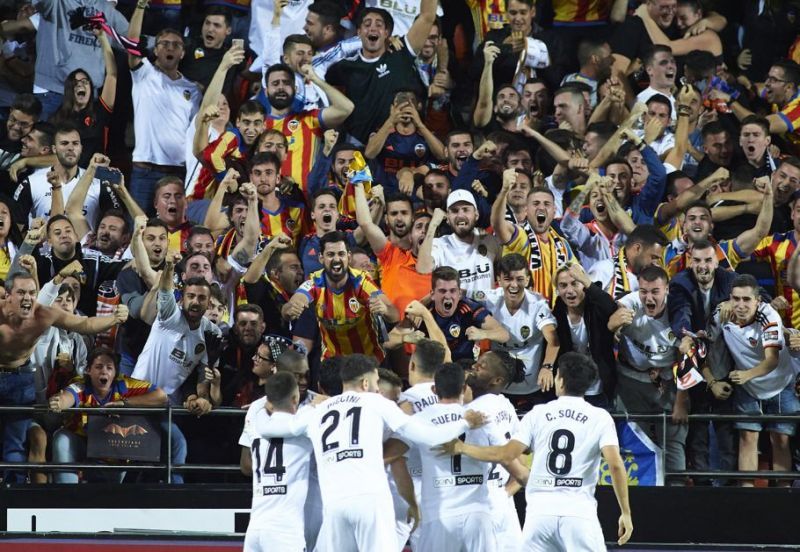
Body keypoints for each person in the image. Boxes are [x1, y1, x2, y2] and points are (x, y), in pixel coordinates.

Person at [253, 354, 487, 552]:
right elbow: (427, 436)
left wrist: (261, 409)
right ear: (366, 384)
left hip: (334, 505)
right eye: (376, 382)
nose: (377, 388)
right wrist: (464, 424)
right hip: (370, 500)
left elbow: (269, 428)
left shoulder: (317, 411)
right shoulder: (376, 402)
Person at [436, 352, 633, 551]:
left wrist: (462, 448)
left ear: (561, 381)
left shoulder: (538, 413)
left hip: (538, 514)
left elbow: (505, 455)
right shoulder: (600, 417)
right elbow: (615, 465)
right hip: (578, 512)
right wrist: (625, 512)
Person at [0, 267, 129, 481]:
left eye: (32, 293)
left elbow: (84, 324)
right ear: (8, 295)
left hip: (20, 379)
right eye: (21, 293)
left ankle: (12, 496)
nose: (28, 298)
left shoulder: (43, 314)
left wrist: (114, 319)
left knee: (16, 443)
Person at [706, 274, 799, 486]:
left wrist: (746, 375)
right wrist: (712, 380)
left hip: (780, 384)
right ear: (729, 298)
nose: (740, 305)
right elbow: (705, 347)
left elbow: (772, 360)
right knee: (747, 438)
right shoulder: (721, 314)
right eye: (736, 299)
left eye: (747, 299)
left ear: (758, 301)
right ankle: (747, 495)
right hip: (748, 387)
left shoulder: (770, 316)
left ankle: (782, 497)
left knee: (780, 440)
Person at [608, 265, 687, 478]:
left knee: (673, 441)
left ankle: (676, 491)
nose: (648, 297)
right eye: (644, 291)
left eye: (655, 291)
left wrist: (681, 400)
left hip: (668, 383)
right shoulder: (631, 303)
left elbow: (686, 359)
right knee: (634, 439)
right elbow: (612, 315)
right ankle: (640, 492)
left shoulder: (678, 311)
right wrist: (613, 326)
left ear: (667, 290)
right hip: (630, 382)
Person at [48, 347, 168, 483]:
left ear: (115, 373)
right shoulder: (81, 384)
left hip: (113, 449)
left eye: (109, 368)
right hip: (82, 443)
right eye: (98, 367)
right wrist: (59, 401)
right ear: (88, 370)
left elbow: (161, 396)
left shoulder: (126, 385)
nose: (104, 371)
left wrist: (125, 403)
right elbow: (68, 396)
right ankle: (66, 496)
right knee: (62, 437)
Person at [127, 3, 202, 213]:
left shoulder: (193, 90)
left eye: (176, 45)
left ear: (183, 53)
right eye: (165, 43)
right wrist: (140, 7)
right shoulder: (144, 74)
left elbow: (195, 132)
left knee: (170, 232)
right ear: (155, 49)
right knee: (139, 230)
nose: (170, 47)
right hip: (144, 169)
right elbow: (130, 44)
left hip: (176, 172)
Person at [283, 231, 398, 362]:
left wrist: (385, 309)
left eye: (341, 254)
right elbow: (293, 303)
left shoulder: (361, 281)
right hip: (334, 363)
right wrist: (290, 309)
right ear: (321, 258)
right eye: (330, 254)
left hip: (369, 360)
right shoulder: (315, 283)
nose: (336, 259)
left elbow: (393, 314)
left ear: (348, 257)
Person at [472, 253, 559, 412]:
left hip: (533, 388)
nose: (514, 285)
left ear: (527, 279)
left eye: (519, 279)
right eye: (508, 279)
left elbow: (553, 341)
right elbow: (458, 292)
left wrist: (547, 367)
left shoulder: (538, 304)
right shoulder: (489, 298)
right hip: (498, 388)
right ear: (498, 280)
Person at [240, 372, 313, 551]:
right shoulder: (304, 425)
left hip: (255, 529)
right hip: (285, 532)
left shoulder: (258, 422)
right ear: (295, 398)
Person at [552, 263, 618, 408]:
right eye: (563, 285)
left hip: (598, 388)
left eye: (575, 283)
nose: (569, 291)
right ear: (557, 289)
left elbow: (611, 308)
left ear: (584, 284)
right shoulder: (556, 314)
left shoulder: (596, 307)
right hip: (569, 390)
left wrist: (587, 281)